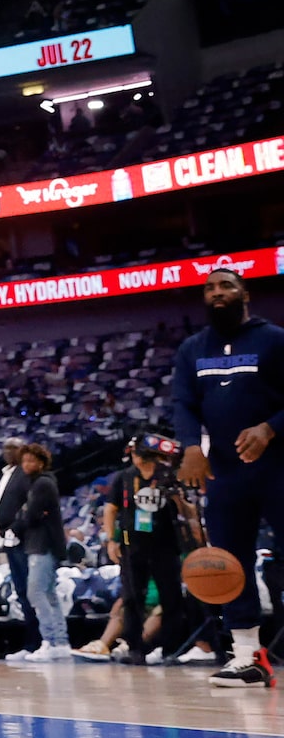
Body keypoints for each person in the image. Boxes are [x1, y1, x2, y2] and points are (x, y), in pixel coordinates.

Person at [172, 265, 284, 687]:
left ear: (244, 293)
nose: (217, 293)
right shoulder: (192, 349)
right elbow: (183, 404)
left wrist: (269, 428)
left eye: (226, 286)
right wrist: (190, 447)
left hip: (276, 466)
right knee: (229, 564)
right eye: (210, 288)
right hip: (225, 472)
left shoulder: (273, 339)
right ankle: (248, 657)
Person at [102, 434, 196, 666]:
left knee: (171, 597)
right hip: (132, 545)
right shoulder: (124, 478)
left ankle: (170, 649)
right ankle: (135, 648)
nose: (139, 460)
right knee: (133, 597)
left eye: (143, 455)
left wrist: (177, 499)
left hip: (165, 544)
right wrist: (111, 540)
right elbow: (110, 509)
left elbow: (189, 512)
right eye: (136, 455)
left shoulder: (168, 475)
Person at [5, 443, 73, 664]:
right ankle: (60, 642)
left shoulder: (42, 483)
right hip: (43, 544)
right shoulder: (40, 483)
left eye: (31, 461)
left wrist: (17, 523)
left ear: (42, 463)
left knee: (36, 593)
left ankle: (50, 641)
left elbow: (32, 514)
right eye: (24, 461)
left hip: (41, 545)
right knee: (49, 594)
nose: (26, 465)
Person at [0, 437, 39, 655]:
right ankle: (31, 642)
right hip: (8, 541)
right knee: (21, 591)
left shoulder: (25, 474)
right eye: (6, 448)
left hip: (22, 540)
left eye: (13, 447)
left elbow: (28, 506)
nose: (8, 451)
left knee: (30, 591)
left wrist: (15, 528)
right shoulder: (6, 474)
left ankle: (37, 642)